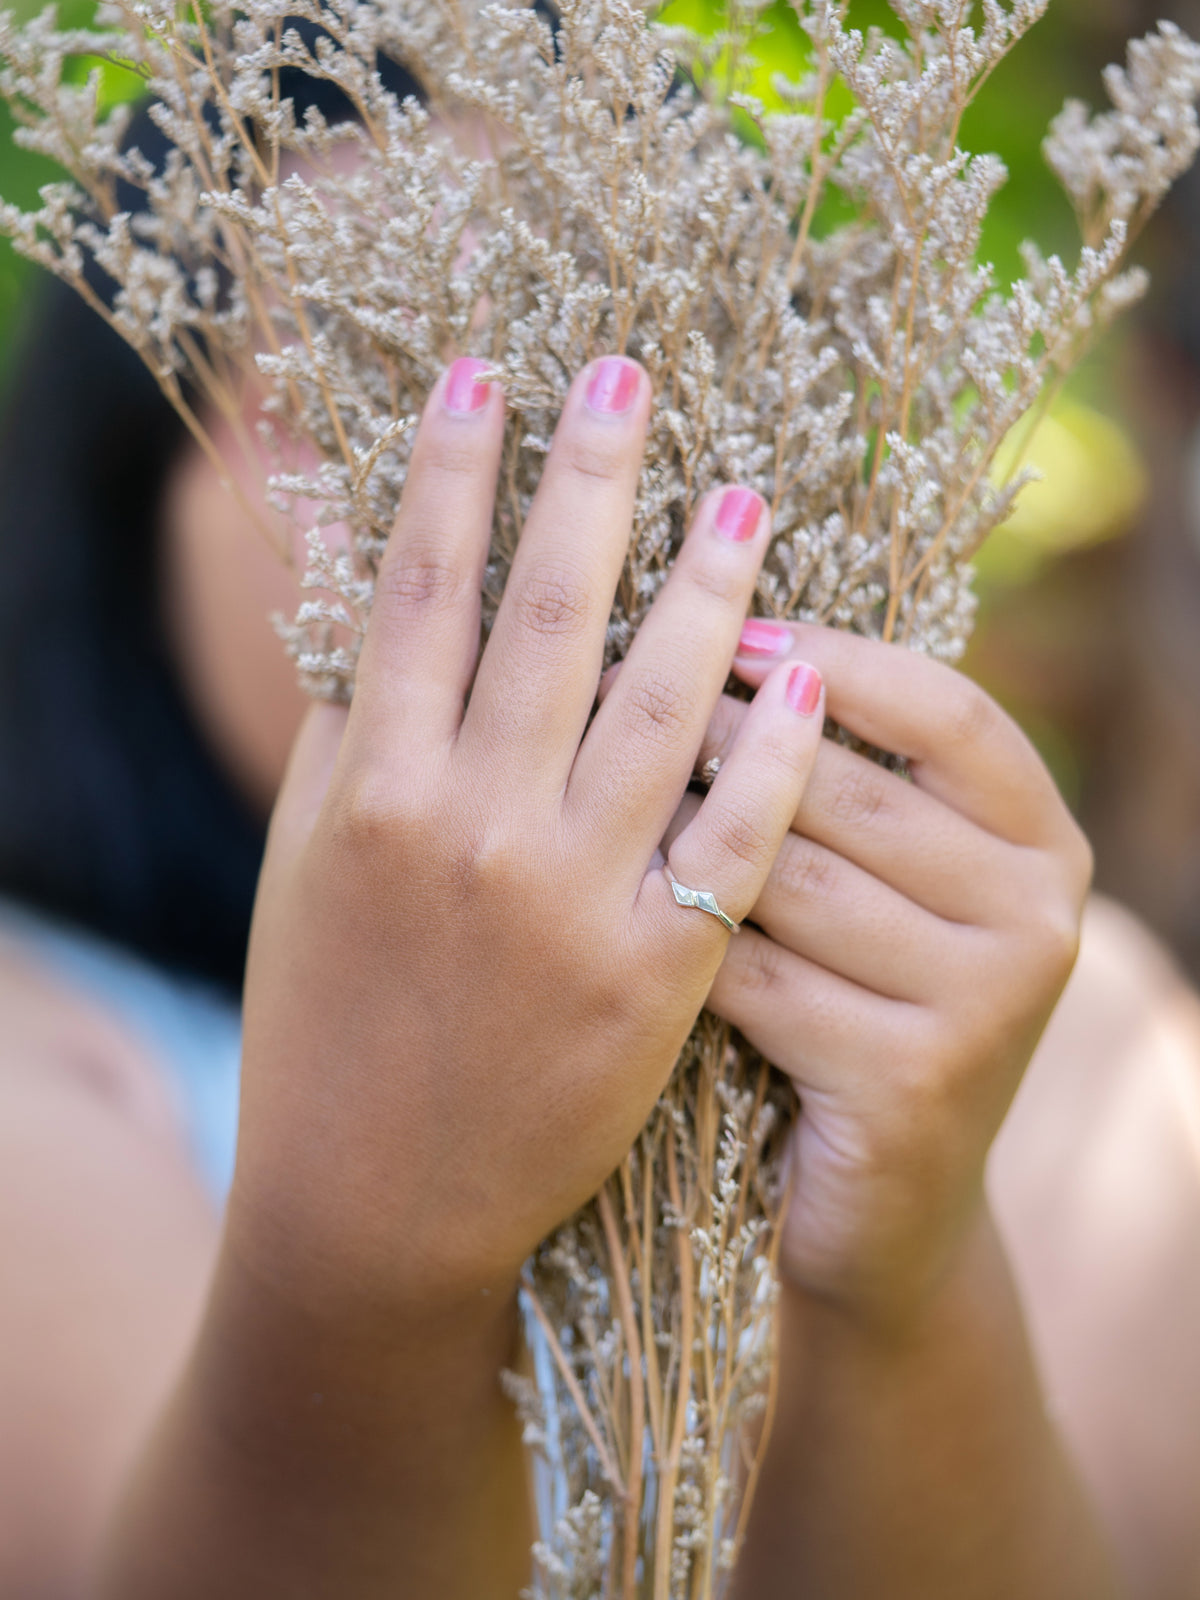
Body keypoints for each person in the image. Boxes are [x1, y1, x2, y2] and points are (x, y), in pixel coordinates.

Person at [1, 153, 1200, 1600]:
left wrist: (909, 1283)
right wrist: (368, 1258)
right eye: (350, 392)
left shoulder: (1073, 1044)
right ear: (120, 491)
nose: (499, 487)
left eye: (573, 368)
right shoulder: (44, 1058)